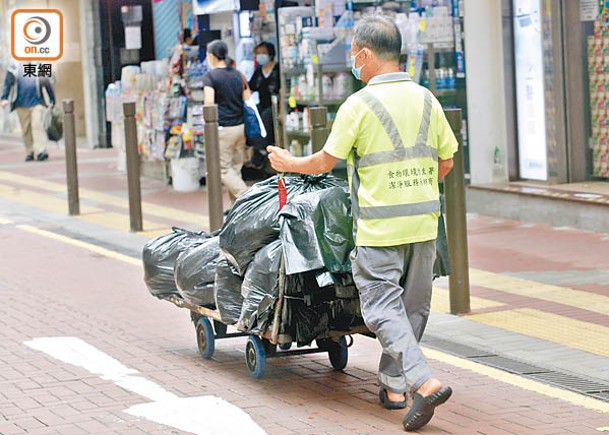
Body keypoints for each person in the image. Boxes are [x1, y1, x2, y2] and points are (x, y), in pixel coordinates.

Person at [266, 16, 456, 432]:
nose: (353, 60)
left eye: (354, 53)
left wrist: (286, 163)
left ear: (365, 54)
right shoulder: (427, 99)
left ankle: (422, 382)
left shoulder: (359, 104)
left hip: (379, 230)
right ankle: (392, 386)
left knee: (382, 308)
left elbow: (323, 163)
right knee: (412, 309)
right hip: (423, 227)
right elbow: (446, 162)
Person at [202, 40, 249, 206]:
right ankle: (236, 210)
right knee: (235, 169)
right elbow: (247, 97)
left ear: (212, 56)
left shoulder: (210, 77)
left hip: (224, 128)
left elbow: (209, 102)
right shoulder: (237, 74)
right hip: (241, 127)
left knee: (223, 169)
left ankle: (248, 196)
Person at [1, 61, 55, 161]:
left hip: (37, 103)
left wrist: (52, 99)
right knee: (26, 129)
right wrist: (4, 98)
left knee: (37, 125)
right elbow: (8, 83)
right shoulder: (14, 67)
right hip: (20, 104)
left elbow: (46, 82)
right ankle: (30, 151)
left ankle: (40, 151)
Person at [248, 41, 280, 167]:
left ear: (270, 54)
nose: (260, 56)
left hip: (276, 106)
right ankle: (257, 148)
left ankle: (263, 150)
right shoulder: (259, 71)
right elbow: (250, 88)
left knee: (266, 117)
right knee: (253, 116)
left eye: (263, 53)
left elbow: (281, 90)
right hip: (262, 104)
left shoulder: (277, 69)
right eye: (258, 53)